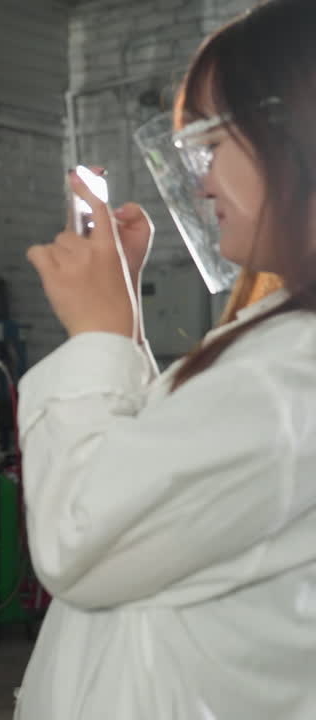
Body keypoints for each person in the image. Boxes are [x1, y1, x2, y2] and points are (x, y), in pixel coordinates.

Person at [17, 1, 316, 717]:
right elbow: (169, 473)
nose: (201, 178)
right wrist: (122, 328)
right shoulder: (278, 340)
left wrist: (101, 336)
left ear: (290, 131)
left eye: (211, 141)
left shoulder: (291, 369)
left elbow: (80, 541)